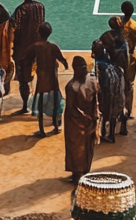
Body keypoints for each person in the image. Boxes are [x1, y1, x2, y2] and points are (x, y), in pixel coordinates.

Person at [11, 0, 47, 113]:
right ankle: (40, 103)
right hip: (38, 48)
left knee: (22, 79)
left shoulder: (20, 10)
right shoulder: (40, 7)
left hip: (23, 50)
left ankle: (25, 105)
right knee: (40, 76)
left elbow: (16, 30)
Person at [64, 56, 98, 186]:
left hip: (86, 119)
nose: (84, 70)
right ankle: (76, 173)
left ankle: (82, 172)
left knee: (86, 147)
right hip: (75, 121)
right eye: (81, 67)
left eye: (85, 67)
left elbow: (96, 98)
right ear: (75, 69)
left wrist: (92, 116)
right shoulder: (72, 87)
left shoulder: (90, 81)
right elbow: (72, 109)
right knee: (75, 147)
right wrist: (87, 117)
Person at [29, 23, 67, 136]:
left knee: (40, 106)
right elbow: (63, 60)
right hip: (53, 80)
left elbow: (27, 60)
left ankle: (41, 130)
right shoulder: (53, 47)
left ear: (39, 33)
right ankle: (55, 126)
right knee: (55, 102)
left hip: (42, 80)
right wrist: (65, 66)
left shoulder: (34, 47)